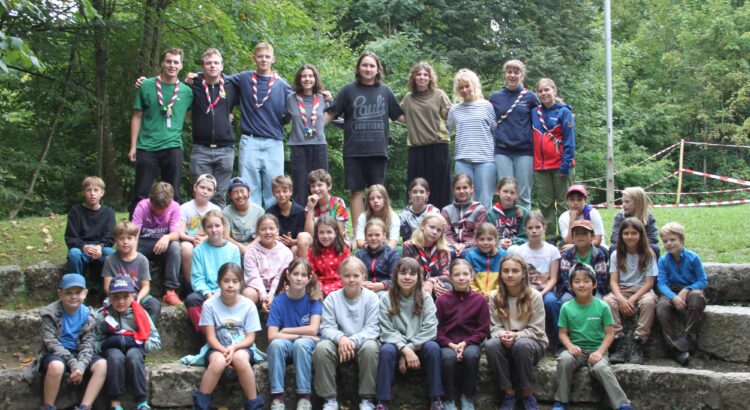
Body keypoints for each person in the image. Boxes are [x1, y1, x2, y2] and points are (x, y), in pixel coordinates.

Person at [324, 51, 405, 234]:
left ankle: (379, 233)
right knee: (356, 192)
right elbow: (331, 112)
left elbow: (399, 115)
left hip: (378, 151)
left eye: (372, 66)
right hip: (354, 151)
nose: (368, 69)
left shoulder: (385, 91)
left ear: (378, 70)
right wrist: (313, 128)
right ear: (358, 68)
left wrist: (423, 120)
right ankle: (358, 234)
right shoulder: (348, 90)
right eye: (365, 65)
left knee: (378, 194)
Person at [552, 264, 633, 410]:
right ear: (570, 285)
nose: (581, 285)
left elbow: (609, 334)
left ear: (594, 284)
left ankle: (622, 403)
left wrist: (600, 352)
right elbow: (562, 333)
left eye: (586, 281)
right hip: (576, 350)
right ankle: (561, 401)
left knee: (602, 368)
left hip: (597, 350)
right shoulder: (566, 307)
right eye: (577, 281)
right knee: (564, 360)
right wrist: (570, 347)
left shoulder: (602, 306)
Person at [128, 48, 193, 215]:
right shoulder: (146, 85)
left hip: (173, 146)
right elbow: (137, 116)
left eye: (176, 62)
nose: (172, 65)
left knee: (173, 193)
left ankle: (172, 227)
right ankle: (133, 228)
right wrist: (133, 146)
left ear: (181, 65)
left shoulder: (187, 91)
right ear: (162, 63)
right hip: (146, 146)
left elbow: (194, 115)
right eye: (169, 61)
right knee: (141, 192)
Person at [192, 263, 264, 410]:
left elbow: (250, 338)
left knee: (240, 359)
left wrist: (234, 348)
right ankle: (200, 406)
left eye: (235, 281)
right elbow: (211, 337)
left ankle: (254, 405)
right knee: (218, 362)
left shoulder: (249, 305)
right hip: (217, 347)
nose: (230, 285)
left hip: (242, 347)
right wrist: (225, 351)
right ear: (219, 282)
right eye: (226, 281)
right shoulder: (209, 305)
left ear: (241, 283)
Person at [229, 42, 293, 208]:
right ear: (254, 58)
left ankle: (274, 221)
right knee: (249, 187)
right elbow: (218, 77)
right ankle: (253, 222)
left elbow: (300, 101)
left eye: (267, 56)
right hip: (250, 141)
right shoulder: (244, 78)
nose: (264, 60)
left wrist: (322, 94)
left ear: (273, 59)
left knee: (276, 187)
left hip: (274, 142)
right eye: (260, 56)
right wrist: (197, 76)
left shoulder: (282, 85)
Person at [29, 274, 106, 410]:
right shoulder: (50, 313)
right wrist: (73, 363)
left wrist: (80, 366)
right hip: (56, 353)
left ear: (85, 293)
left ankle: (85, 406)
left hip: (80, 352)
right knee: (56, 366)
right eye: (68, 293)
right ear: (60, 294)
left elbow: (88, 344)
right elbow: (51, 343)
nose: (73, 296)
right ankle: (48, 406)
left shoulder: (89, 315)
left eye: (78, 292)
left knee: (102, 365)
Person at [376, 257, 445, 410]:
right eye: (403, 273)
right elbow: (386, 330)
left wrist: (410, 348)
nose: (407, 277)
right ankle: (382, 402)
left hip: (419, 343)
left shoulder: (426, 298)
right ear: (396, 276)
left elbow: (430, 329)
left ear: (418, 277)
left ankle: (436, 399)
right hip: (396, 344)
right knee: (386, 350)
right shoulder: (386, 299)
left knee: (433, 348)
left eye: (412, 274)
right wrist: (404, 349)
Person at [314, 257, 381, 410]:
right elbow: (327, 327)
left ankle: (367, 399)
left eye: (356, 276)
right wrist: (341, 338)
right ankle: (329, 399)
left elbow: (373, 328)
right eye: (347, 275)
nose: (351, 280)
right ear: (340, 276)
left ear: (363, 276)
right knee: (322, 348)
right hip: (339, 345)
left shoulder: (372, 298)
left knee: (371, 348)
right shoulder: (332, 298)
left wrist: (352, 341)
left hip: (362, 343)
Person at [485, 256, 547, 410]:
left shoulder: (535, 296)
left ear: (524, 273)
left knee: (522, 346)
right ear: (501, 274)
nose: (510, 275)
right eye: (506, 271)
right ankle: (509, 393)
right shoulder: (494, 296)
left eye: (515, 271)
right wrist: (502, 335)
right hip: (505, 340)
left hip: (532, 342)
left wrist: (516, 336)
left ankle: (527, 393)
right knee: (491, 345)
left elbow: (537, 330)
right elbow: (494, 327)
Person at [95, 275, 161, 410]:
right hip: (112, 348)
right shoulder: (103, 315)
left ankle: (142, 402)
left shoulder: (140, 314)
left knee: (133, 357)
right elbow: (95, 340)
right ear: (110, 297)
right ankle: (115, 403)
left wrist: (138, 343)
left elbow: (155, 340)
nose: (121, 301)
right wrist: (105, 344)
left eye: (125, 297)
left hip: (135, 347)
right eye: (116, 297)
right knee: (115, 357)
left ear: (133, 296)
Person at [266, 257, 323, 410]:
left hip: (307, 345)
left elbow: (313, 329)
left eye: (303, 275)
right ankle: (277, 398)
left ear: (309, 278)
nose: (299, 278)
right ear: (288, 275)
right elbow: (272, 335)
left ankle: (304, 397)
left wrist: (286, 330)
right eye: (295, 274)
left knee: (301, 344)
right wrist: (300, 335)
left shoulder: (313, 299)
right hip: (288, 344)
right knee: (276, 345)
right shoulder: (278, 301)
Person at [187, 49, 239, 208]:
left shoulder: (231, 85)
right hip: (201, 149)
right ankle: (198, 224)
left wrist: (273, 76)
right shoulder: (194, 84)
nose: (212, 66)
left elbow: (253, 84)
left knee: (219, 195)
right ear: (202, 67)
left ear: (222, 66)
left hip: (225, 149)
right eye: (208, 63)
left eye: (216, 63)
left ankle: (218, 224)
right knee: (201, 194)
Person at [436, 259, 489, 410]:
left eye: (465, 274)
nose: (461, 278)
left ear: (472, 275)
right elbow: (436, 329)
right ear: (450, 277)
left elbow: (482, 329)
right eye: (457, 274)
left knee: (471, 356)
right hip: (447, 342)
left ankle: (467, 396)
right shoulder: (441, 301)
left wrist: (466, 343)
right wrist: (451, 345)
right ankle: (449, 398)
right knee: (448, 358)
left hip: (470, 341)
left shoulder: (480, 300)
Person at [605, 217, 658, 365]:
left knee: (648, 303)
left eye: (634, 233)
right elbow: (613, 281)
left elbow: (649, 283)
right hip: (622, 289)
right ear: (621, 235)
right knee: (608, 301)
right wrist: (621, 299)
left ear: (641, 235)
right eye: (626, 233)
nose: (630, 237)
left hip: (642, 290)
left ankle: (639, 342)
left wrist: (633, 299)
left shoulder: (648, 254)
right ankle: (618, 341)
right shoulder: (616, 254)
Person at [401, 62, 452, 209]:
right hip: (416, 147)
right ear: (413, 77)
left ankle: (442, 218)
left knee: (439, 186)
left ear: (430, 78)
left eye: (425, 74)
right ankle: (416, 218)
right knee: (416, 187)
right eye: (419, 74)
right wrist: (413, 122)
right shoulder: (408, 98)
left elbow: (451, 116)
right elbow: (399, 115)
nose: (422, 77)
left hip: (438, 145)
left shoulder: (439, 94)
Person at [506, 211, 561, 349]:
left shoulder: (552, 250)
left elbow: (553, 278)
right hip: (524, 289)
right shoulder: (519, 251)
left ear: (544, 228)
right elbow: (518, 276)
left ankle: (556, 342)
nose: (534, 231)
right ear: (525, 229)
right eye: (530, 228)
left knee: (551, 302)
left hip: (545, 290)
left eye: (537, 227)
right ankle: (514, 337)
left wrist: (541, 294)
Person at [490, 60, 539, 210]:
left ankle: (525, 223)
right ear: (504, 74)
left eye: (516, 72)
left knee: (523, 193)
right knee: (506, 192)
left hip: (524, 151)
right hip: (502, 150)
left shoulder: (530, 97)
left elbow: (542, 117)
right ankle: (506, 222)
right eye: (509, 72)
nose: (512, 75)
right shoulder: (494, 97)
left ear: (521, 75)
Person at [656, 222, 707, 366]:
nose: (668, 243)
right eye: (665, 241)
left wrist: (687, 290)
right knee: (661, 306)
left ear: (682, 240)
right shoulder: (663, 260)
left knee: (697, 297)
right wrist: (673, 297)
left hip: (690, 289)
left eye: (672, 239)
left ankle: (689, 339)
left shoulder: (694, 258)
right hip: (671, 291)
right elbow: (661, 284)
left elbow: (703, 281)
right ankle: (674, 347)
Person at [531, 78, 575, 240]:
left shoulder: (564, 112)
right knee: (545, 204)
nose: (544, 93)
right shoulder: (534, 113)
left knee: (564, 203)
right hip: (541, 167)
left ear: (554, 91)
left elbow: (570, 141)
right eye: (540, 91)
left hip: (561, 165)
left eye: (547, 90)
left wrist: (565, 164)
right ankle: (549, 236)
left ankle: (566, 237)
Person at [446, 69, 497, 209]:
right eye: (461, 87)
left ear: (474, 85)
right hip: (463, 161)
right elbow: (446, 132)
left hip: (485, 160)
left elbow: (495, 131)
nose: (464, 90)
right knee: (463, 200)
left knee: (484, 200)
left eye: (467, 86)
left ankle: (485, 224)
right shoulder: (454, 110)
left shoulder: (487, 106)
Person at [184, 210, 242, 331]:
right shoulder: (199, 250)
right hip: (206, 293)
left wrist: (218, 292)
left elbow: (235, 276)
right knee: (191, 300)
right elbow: (197, 278)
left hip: (227, 289)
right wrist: (208, 295)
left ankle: (227, 330)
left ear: (224, 226)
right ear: (204, 229)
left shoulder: (233, 250)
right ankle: (207, 334)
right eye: (209, 227)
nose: (214, 230)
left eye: (217, 226)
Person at [556, 220, 609, 349]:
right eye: (577, 233)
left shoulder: (599, 254)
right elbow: (565, 278)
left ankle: (597, 339)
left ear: (592, 236)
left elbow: (601, 278)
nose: (580, 236)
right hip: (571, 291)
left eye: (584, 233)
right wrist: (578, 293)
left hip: (594, 291)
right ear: (572, 237)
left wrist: (588, 293)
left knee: (600, 303)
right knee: (564, 302)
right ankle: (565, 342)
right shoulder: (567, 255)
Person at [286, 64, 332, 206]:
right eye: (304, 76)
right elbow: (283, 117)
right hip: (298, 147)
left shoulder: (323, 97)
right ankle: (301, 218)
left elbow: (334, 115)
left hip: (319, 146)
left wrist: (331, 100)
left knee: (321, 186)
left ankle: (322, 217)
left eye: (310, 76)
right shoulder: (291, 98)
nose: (307, 79)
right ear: (299, 79)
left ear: (315, 78)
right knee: (300, 187)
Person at [131, 181, 183, 306]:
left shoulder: (175, 207)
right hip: (144, 242)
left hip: (163, 242)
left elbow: (176, 233)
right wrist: (132, 252)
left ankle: (170, 291)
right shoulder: (142, 206)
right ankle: (132, 288)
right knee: (130, 250)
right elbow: (134, 232)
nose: (159, 211)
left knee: (175, 247)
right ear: (150, 199)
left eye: (162, 209)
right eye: (156, 207)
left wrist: (167, 237)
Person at [102, 221, 161, 324]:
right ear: (116, 240)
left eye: (129, 238)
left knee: (154, 305)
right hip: (117, 295)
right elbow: (107, 287)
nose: (125, 242)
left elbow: (146, 286)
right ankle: (118, 329)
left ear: (135, 239)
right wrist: (120, 298)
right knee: (107, 308)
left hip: (137, 295)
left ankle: (145, 329)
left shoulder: (142, 260)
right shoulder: (110, 260)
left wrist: (137, 298)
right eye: (121, 238)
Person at [65, 176, 116, 281]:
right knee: (74, 254)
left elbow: (110, 236)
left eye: (96, 190)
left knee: (110, 253)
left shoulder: (108, 212)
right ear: (83, 193)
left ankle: (108, 289)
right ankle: (75, 287)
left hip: (100, 249)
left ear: (102, 193)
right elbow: (70, 237)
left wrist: (100, 247)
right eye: (88, 190)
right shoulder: (75, 211)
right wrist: (83, 246)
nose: (92, 193)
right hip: (81, 249)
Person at [243, 214, 294, 311]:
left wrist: (271, 294)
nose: (268, 232)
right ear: (258, 232)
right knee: (248, 293)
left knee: (290, 291)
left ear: (277, 231)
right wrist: (264, 296)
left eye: (271, 228)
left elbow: (281, 276)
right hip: (257, 289)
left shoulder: (286, 252)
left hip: (279, 287)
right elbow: (253, 277)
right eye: (263, 229)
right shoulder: (251, 252)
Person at [179, 174, 221, 288]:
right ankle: (190, 284)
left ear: (213, 193)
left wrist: (205, 239)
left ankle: (214, 283)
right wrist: (193, 239)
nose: (205, 191)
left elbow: (220, 231)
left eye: (209, 189)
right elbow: (180, 233)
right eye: (202, 187)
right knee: (186, 248)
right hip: (189, 240)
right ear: (195, 187)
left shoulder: (215, 209)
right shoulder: (185, 207)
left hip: (209, 240)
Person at [402, 213, 452, 298]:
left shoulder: (443, 250)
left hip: (436, 284)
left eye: (439, 230)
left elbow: (447, 275)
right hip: (415, 283)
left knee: (446, 287)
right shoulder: (409, 246)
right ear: (422, 226)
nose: (434, 232)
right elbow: (408, 272)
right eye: (432, 227)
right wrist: (425, 284)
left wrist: (432, 282)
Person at [441, 174, 487, 257]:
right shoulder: (446, 211)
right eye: (458, 188)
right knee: (445, 252)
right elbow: (446, 233)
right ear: (453, 190)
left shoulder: (480, 209)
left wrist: (465, 245)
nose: (461, 191)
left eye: (465, 187)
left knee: (468, 253)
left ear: (471, 188)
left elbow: (479, 234)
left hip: (472, 246)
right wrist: (455, 244)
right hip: (452, 246)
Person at [266, 175, 312, 258]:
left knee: (294, 249)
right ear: (273, 193)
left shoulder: (300, 211)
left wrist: (293, 241)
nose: (281, 194)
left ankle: (304, 266)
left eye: (285, 191)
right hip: (276, 248)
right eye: (277, 192)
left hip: (296, 247)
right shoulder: (270, 213)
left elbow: (306, 237)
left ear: (291, 192)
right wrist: (274, 237)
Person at [308, 215, 351, 296]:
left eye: (329, 232)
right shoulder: (312, 251)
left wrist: (327, 289)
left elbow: (348, 274)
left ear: (335, 233)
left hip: (340, 287)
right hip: (318, 288)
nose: (325, 236)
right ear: (317, 234)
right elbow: (311, 274)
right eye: (321, 232)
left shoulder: (344, 250)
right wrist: (319, 287)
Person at [355, 218, 401, 295]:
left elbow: (397, 278)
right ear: (365, 237)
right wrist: (361, 283)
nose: (373, 238)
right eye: (370, 235)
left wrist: (383, 285)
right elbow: (353, 275)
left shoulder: (392, 255)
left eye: (377, 235)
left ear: (384, 236)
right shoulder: (359, 255)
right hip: (364, 290)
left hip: (385, 290)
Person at [610, 187, 660, 257]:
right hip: (624, 245)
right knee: (613, 248)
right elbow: (614, 237)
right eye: (623, 202)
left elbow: (653, 238)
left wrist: (637, 246)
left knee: (654, 248)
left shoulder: (648, 217)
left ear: (638, 203)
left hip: (643, 247)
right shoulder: (620, 216)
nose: (623, 205)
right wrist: (629, 245)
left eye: (627, 202)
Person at [223, 176, 265, 255]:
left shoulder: (259, 211)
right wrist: (241, 248)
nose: (239, 195)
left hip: (255, 248)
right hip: (234, 248)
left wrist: (248, 248)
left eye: (242, 191)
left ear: (249, 191)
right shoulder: (226, 212)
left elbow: (261, 235)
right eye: (235, 192)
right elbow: (226, 237)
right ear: (230, 195)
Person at [304, 169, 350, 240]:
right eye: (313, 186)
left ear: (329, 186)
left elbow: (340, 232)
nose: (316, 189)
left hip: (337, 241)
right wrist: (310, 209)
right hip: (317, 242)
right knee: (302, 238)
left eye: (319, 185)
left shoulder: (338, 203)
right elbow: (309, 235)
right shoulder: (310, 205)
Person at [558, 184, 606, 252]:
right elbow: (568, 242)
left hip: (595, 247)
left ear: (585, 201)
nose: (575, 203)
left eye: (579, 200)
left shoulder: (592, 213)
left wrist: (576, 247)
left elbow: (597, 241)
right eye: (572, 200)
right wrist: (572, 220)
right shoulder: (563, 217)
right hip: (572, 247)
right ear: (567, 202)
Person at [463, 223, 506, 296]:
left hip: (497, 295)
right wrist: (477, 293)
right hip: (475, 296)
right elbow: (468, 279)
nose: (485, 243)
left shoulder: (502, 255)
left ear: (496, 240)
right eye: (482, 239)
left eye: (489, 239)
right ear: (476, 240)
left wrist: (492, 294)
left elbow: (504, 279)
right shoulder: (471, 256)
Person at [354, 184, 401, 249]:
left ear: (385, 199)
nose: (375, 201)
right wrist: (371, 248)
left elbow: (393, 242)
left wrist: (380, 251)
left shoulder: (394, 217)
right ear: (368, 202)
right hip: (368, 248)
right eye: (372, 199)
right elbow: (359, 241)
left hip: (387, 249)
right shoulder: (363, 217)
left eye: (379, 197)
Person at [487, 177, 528, 250]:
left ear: (516, 195)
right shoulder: (491, 214)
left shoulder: (523, 212)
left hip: (518, 249)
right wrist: (500, 241)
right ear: (498, 192)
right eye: (505, 191)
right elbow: (488, 236)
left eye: (512, 193)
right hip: (497, 249)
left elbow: (525, 237)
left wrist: (513, 242)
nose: (508, 195)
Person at [399, 178, 440, 243]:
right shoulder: (403, 215)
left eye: (422, 192)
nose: (418, 195)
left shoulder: (434, 212)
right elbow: (406, 238)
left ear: (427, 194)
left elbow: (437, 234)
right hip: (411, 245)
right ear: (410, 194)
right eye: (415, 192)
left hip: (431, 245)